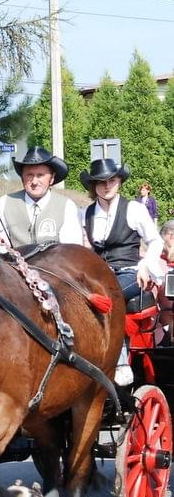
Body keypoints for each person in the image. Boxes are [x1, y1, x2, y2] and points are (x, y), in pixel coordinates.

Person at [80, 158, 165, 384]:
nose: (107, 186)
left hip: (129, 272)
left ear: (119, 182)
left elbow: (156, 241)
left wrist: (146, 265)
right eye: (101, 182)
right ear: (93, 185)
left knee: (107, 297)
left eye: (112, 180)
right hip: (98, 274)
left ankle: (118, 361)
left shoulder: (134, 209)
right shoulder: (85, 213)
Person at [0, 146, 83, 247]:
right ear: (22, 178)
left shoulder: (66, 206)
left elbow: (72, 250)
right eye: (29, 175)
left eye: (40, 175)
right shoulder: (4, 203)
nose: (34, 182)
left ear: (51, 179)